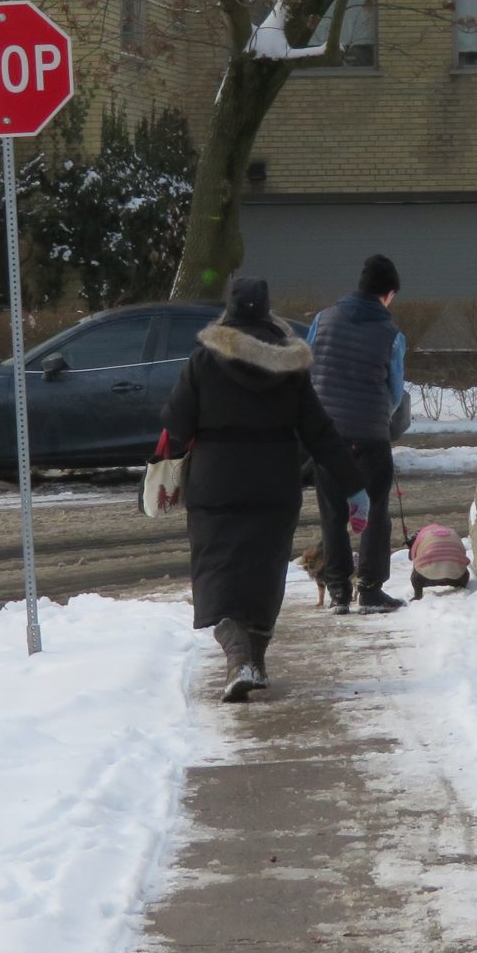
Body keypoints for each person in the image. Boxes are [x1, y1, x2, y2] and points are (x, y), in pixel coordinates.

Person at [162, 276, 366, 701]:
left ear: (230, 311)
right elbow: (320, 432)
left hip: (215, 484)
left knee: (218, 572)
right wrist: (353, 488)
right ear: (267, 311)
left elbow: (176, 427)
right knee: (264, 576)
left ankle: (239, 660)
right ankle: (255, 660)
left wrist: (162, 466)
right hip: (274, 483)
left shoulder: (202, 362)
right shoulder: (290, 369)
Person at [308, 254, 408, 613]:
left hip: (327, 434)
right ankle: (369, 589)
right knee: (376, 509)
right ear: (387, 294)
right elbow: (394, 392)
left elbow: (307, 371)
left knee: (332, 509)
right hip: (369, 435)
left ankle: (338, 592)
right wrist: (383, 417)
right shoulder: (392, 335)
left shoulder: (322, 320)